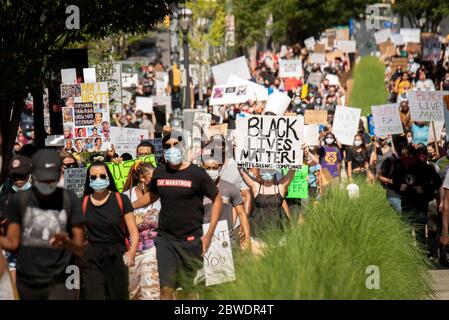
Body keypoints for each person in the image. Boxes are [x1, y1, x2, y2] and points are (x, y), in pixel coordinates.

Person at [132, 130, 223, 300]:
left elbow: (217, 199)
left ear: (183, 148)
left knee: (188, 291)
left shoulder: (197, 174)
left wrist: (209, 234)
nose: (171, 148)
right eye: (167, 146)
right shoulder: (159, 172)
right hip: (166, 240)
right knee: (166, 289)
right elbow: (152, 195)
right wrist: (129, 206)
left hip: (190, 241)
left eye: (176, 145)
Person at [0, 149, 85, 300]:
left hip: (61, 280)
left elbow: (80, 249)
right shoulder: (18, 201)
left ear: (60, 174)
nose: (47, 185)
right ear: (33, 175)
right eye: (42, 180)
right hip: (28, 280)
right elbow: (12, 243)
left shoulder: (70, 200)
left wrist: (67, 242)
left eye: (51, 180)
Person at [81, 161, 139, 300]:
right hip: (92, 258)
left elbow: (133, 232)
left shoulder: (121, 200)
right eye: (93, 177)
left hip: (117, 256)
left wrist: (131, 252)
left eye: (102, 176)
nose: (98, 180)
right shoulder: (82, 203)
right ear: (89, 180)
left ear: (108, 177)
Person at [122, 161, 161, 300]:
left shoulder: (159, 196)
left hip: (153, 250)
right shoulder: (126, 197)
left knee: (151, 292)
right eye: (153, 178)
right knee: (133, 293)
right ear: (142, 178)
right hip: (132, 250)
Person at [392, 145, 442, 246]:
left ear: (412, 156)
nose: (403, 160)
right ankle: (407, 256)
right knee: (405, 231)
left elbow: (438, 182)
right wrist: (399, 186)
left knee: (420, 233)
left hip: (420, 204)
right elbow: (393, 182)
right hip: (406, 204)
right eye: (402, 157)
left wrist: (424, 188)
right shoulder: (400, 167)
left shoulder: (425, 168)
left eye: (405, 157)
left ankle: (421, 255)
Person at [201, 155, 251, 250]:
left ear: (219, 168)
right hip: (204, 237)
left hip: (227, 239)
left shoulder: (231, 188)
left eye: (214, 168)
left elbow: (242, 213)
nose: (211, 171)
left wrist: (247, 239)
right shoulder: (198, 189)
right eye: (208, 168)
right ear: (203, 168)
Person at [239, 167, 295, 238]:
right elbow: (243, 172)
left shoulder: (280, 186)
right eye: (264, 170)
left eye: (270, 170)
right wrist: (238, 161)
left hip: (279, 230)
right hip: (258, 230)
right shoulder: (256, 186)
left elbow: (292, 170)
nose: (267, 173)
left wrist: (297, 160)